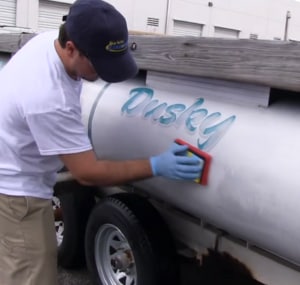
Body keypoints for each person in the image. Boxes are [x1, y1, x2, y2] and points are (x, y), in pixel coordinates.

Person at [0, 0, 202, 284]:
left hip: (15, 170)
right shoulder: (48, 97)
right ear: (71, 48)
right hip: (15, 195)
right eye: (98, 63)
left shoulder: (50, 42)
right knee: (31, 276)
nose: (102, 73)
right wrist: (156, 165)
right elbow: (87, 172)